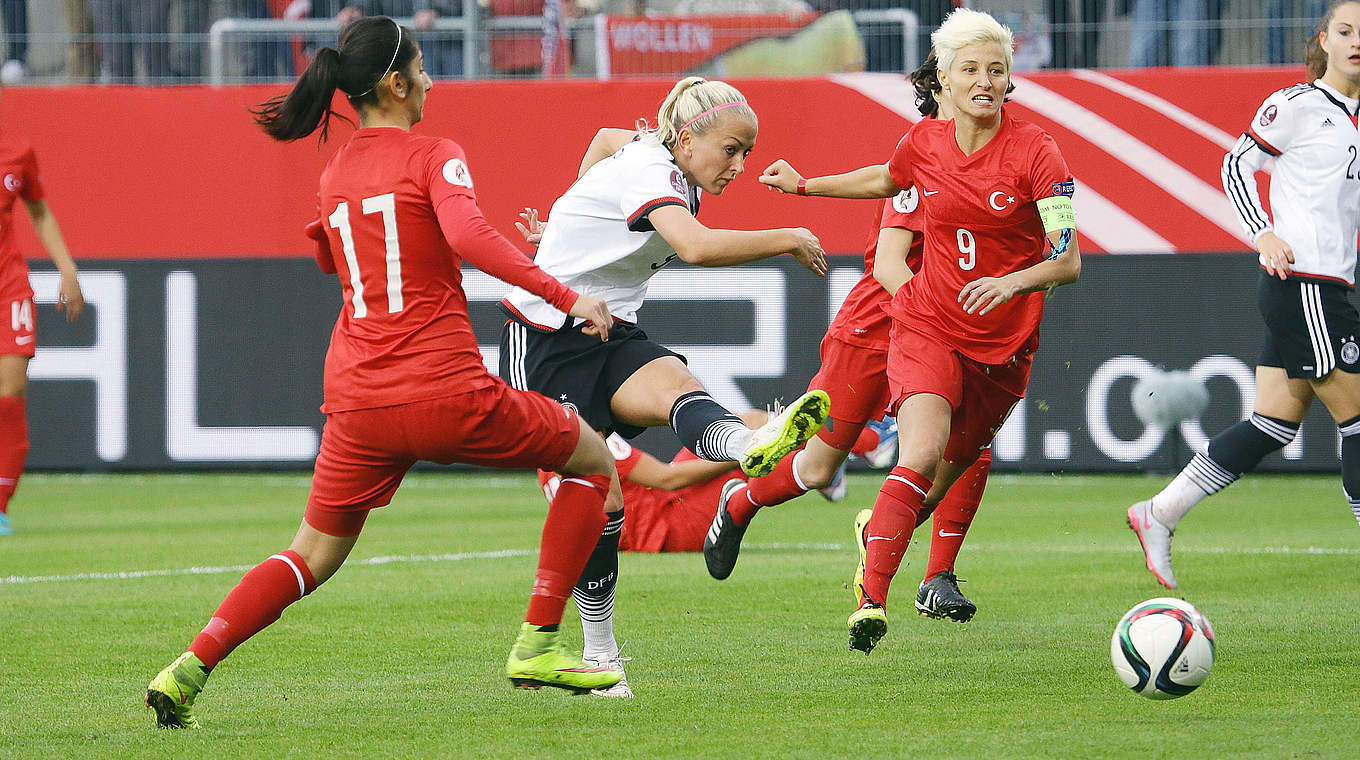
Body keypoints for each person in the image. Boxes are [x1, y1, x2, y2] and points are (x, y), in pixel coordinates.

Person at [144, 16, 626, 729]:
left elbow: (329, 258)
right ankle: (538, 643)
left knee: (309, 554)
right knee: (593, 462)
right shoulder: (434, 153)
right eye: (423, 68)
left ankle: (188, 667)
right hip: (439, 385)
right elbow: (466, 235)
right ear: (395, 83)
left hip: (357, 399)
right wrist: (564, 295)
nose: (431, 80)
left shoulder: (335, 171)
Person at [760, 7, 1081, 654]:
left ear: (1011, 78)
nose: (985, 80)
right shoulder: (924, 144)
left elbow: (1066, 259)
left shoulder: (1038, 153)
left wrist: (1015, 282)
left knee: (952, 467)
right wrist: (805, 187)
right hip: (929, 323)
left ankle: (887, 536)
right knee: (922, 452)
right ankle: (870, 603)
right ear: (946, 78)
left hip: (1005, 340)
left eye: (997, 69)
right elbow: (886, 178)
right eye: (971, 69)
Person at [499, 75, 832, 693]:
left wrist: (569, 222)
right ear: (686, 136)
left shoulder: (661, 158)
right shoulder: (653, 169)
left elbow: (602, 139)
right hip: (542, 341)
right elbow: (698, 249)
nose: (738, 164)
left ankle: (744, 445)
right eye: (730, 149)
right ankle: (599, 653)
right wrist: (789, 236)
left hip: (609, 329)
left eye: (747, 153)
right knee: (605, 500)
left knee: (680, 387)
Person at [702, 52, 994, 628]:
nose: (980, 91)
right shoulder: (927, 153)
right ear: (942, 90)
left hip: (938, 325)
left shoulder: (995, 160)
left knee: (964, 446)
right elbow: (890, 263)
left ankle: (937, 575)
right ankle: (740, 501)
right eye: (964, 77)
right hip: (877, 326)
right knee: (814, 469)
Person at [1128, 0, 1360, 589]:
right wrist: (1264, 233)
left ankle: (1160, 513)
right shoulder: (1299, 105)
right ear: (1324, 40)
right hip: (1304, 283)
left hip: (1330, 285)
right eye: (1345, 30)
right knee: (1359, 421)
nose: (1356, 41)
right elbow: (1237, 163)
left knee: (1275, 422)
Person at [0, 97, 86, 537]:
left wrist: (67, 269)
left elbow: (38, 210)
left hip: (7, 286)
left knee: (11, 391)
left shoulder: (17, 151)